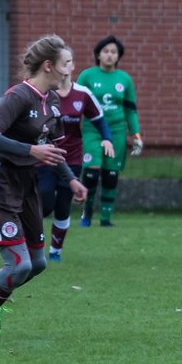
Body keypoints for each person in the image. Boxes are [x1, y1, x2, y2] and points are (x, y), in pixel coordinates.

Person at [0, 35, 89, 342]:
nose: (70, 69)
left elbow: (51, 149)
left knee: (38, 263)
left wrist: (70, 178)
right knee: (18, 264)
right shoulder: (18, 96)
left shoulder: (53, 101)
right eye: (65, 63)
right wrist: (31, 151)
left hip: (26, 184)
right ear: (48, 66)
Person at [38, 62, 114, 261]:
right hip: (45, 156)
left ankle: (55, 251)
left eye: (68, 62)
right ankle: (33, 245)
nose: (64, 66)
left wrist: (107, 138)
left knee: (63, 204)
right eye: (60, 63)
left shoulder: (82, 94)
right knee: (44, 203)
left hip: (71, 157)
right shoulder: (44, 92)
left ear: (72, 67)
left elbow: (99, 120)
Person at [77, 35, 142, 227]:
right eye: (105, 51)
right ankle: (86, 213)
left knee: (111, 174)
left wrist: (136, 135)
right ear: (98, 54)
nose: (109, 55)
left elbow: (131, 110)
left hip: (117, 131)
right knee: (92, 171)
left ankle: (105, 219)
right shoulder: (87, 76)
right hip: (92, 129)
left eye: (113, 52)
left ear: (118, 56)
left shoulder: (125, 79)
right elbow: (76, 104)